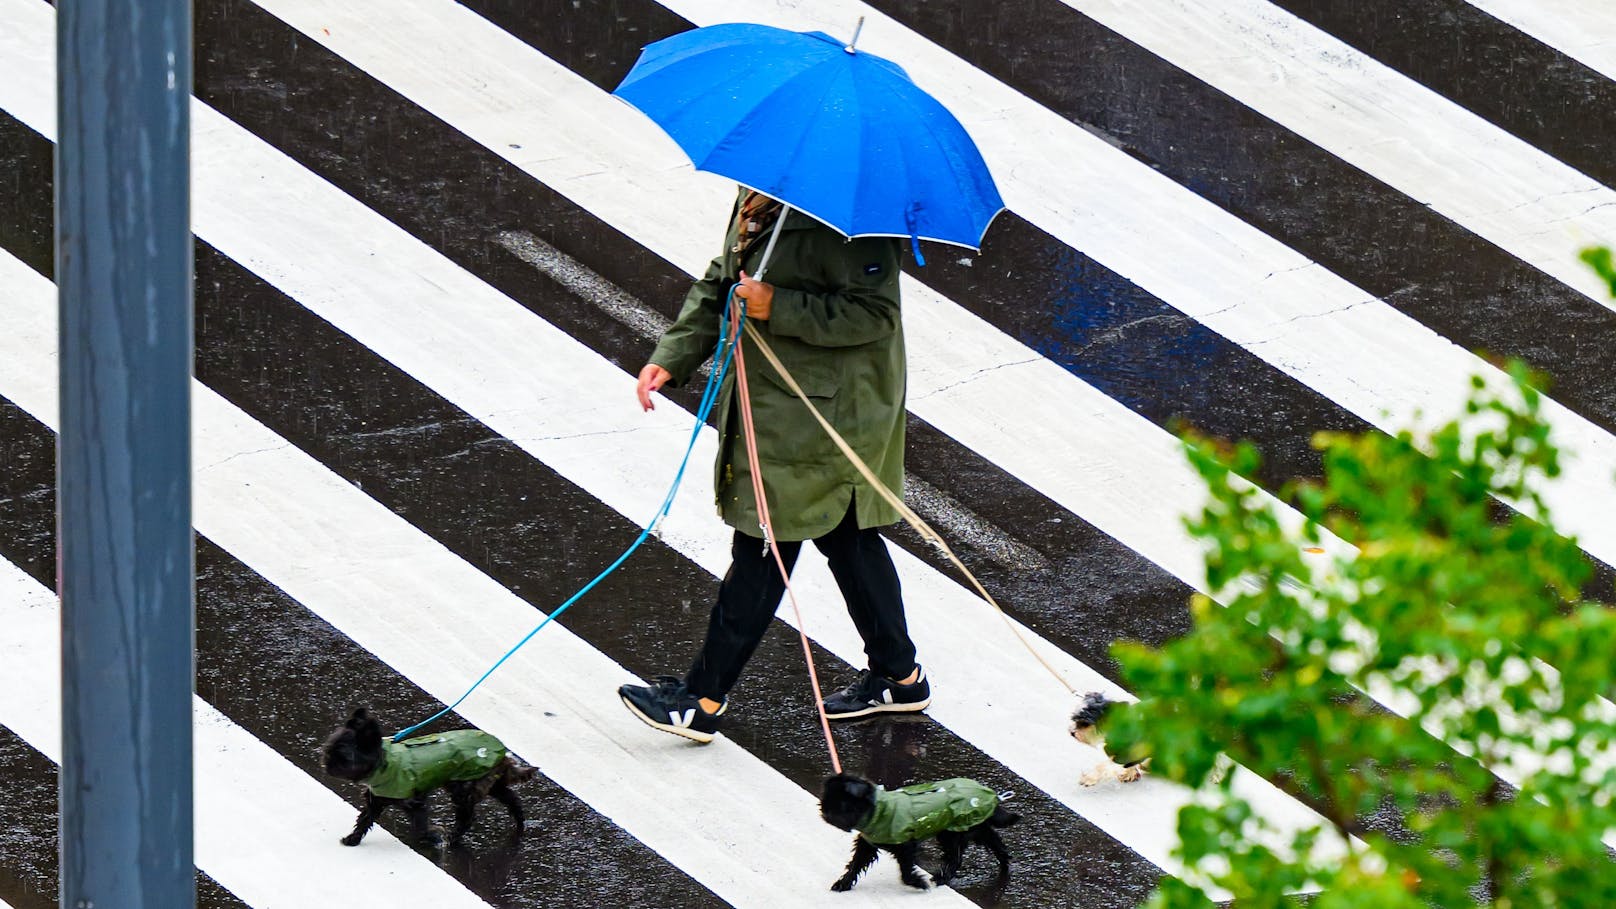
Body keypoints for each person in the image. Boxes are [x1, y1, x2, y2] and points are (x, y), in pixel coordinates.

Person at [617, 187, 929, 743]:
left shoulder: (854, 217)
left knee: (764, 546)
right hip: (780, 402)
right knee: (849, 539)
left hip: (829, 413)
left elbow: (874, 313)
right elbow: (726, 277)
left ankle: (701, 700)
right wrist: (672, 356)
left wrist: (776, 305)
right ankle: (900, 677)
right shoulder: (762, 194)